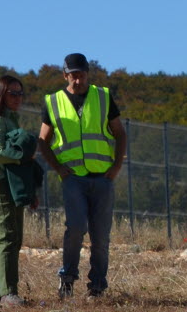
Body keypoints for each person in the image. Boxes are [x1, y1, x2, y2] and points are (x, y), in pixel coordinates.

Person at [37, 53, 128, 299]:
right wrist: (58, 168)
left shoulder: (103, 96)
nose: (77, 80)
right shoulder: (53, 101)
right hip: (73, 178)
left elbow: (120, 133)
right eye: (73, 76)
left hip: (103, 178)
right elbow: (42, 140)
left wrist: (116, 166)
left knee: (101, 236)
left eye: (81, 75)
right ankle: (67, 278)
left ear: (87, 74)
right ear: (64, 75)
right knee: (76, 228)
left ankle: (97, 286)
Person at [0, 74, 39, 305]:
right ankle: (7, 294)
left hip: (12, 185)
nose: (18, 98)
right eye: (12, 93)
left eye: (20, 93)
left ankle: (7, 292)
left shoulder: (12, 120)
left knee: (15, 237)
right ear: (0, 95)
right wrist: (22, 156)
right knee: (6, 236)